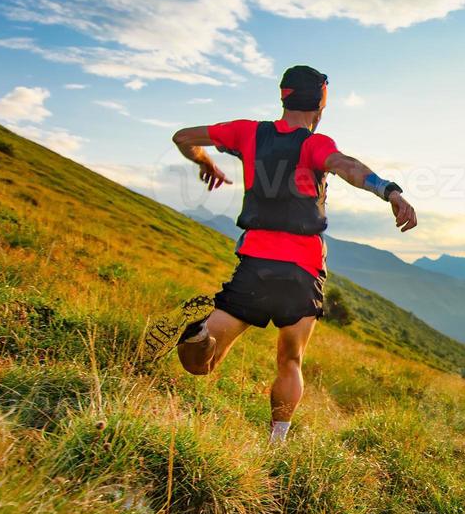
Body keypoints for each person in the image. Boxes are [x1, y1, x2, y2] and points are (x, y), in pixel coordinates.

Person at [148, 65, 416, 444]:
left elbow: (182, 136)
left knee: (203, 364)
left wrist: (206, 163)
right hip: (301, 270)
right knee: (290, 360)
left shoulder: (247, 132)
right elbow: (349, 168)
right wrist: (390, 191)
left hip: (255, 263)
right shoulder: (314, 144)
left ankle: (198, 334)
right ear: (321, 105)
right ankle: (276, 444)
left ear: (284, 96)